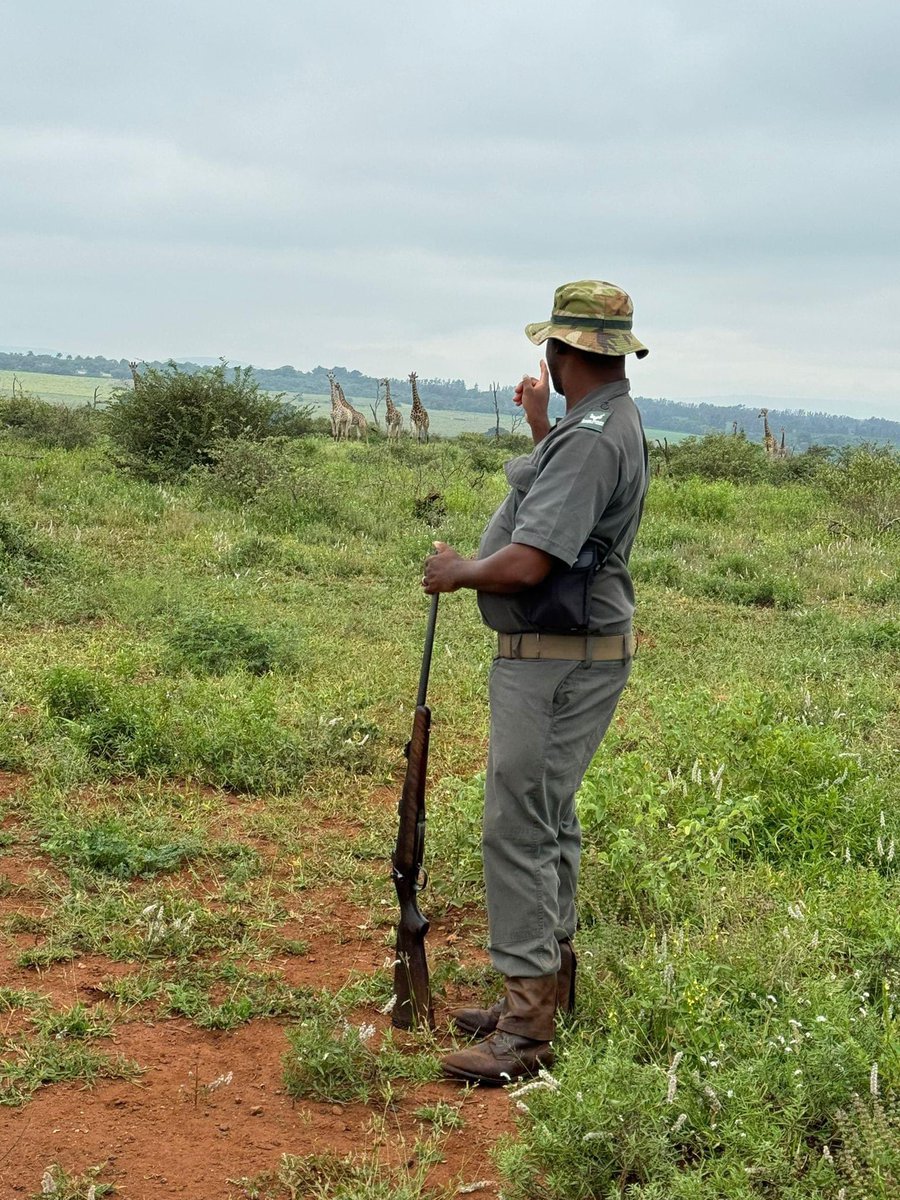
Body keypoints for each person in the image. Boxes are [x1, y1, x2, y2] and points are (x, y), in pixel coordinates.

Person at [422, 279, 650, 1085]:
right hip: (568, 655)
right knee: (546, 818)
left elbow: (533, 561)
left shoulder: (591, 439)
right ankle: (542, 990)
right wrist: (539, 430)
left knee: (517, 826)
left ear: (562, 354)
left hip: (555, 661)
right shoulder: (597, 423)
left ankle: (526, 1028)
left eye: (549, 349)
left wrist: (459, 572)